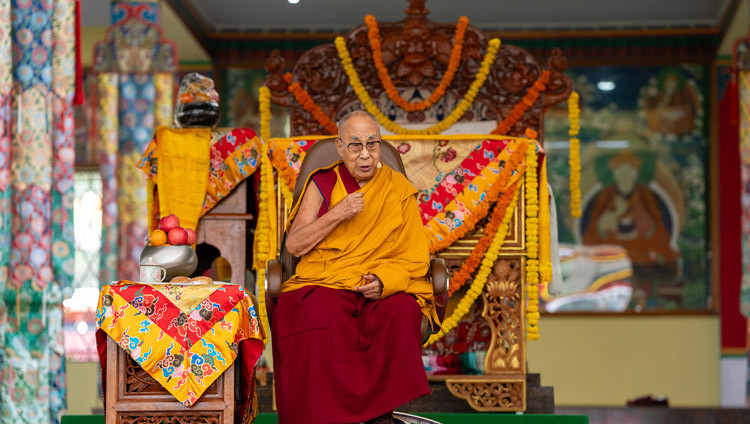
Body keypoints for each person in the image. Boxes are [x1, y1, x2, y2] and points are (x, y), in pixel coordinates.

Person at [271, 110, 438, 424]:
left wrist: (385, 281)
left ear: (380, 146)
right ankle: (324, 417)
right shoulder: (322, 182)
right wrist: (337, 213)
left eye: (372, 145)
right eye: (355, 145)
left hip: (375, 284)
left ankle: (380, 414)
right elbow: (294, 246)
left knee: (402, 311)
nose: (365, 154)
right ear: (339, 147)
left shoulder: (397, 188)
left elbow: (415, 258)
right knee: (316, 313)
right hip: (326, 280)